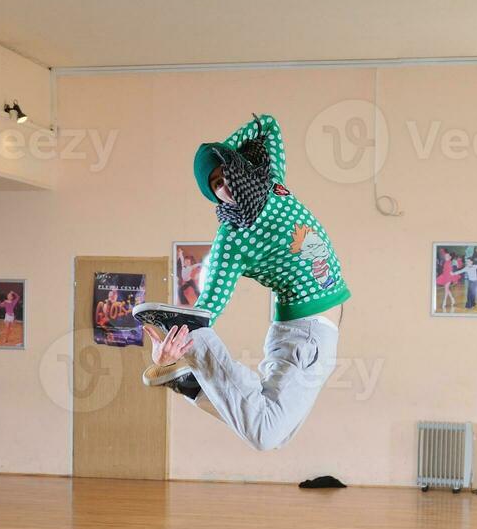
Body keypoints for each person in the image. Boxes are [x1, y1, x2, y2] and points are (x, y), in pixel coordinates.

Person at [131, 113, 351, 452]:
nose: (224, 186)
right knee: (268, 434)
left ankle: (193, 386)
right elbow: (208, 307)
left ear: (239, 167)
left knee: (274, 431)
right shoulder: (234, 238)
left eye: (225, 174)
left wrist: (222, 152)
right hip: (306, 334)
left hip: (305, 334)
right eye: (215, 184)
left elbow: (268, 124)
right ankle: (196, 363)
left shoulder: (273, 179)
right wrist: (175, 345)